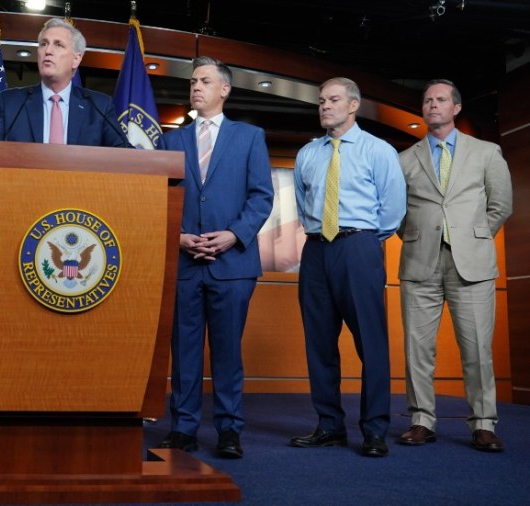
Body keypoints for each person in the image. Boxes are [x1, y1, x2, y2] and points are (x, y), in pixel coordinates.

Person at [157, 56, 274, 459]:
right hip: (184, 263)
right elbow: (160, 197)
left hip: (233, 265)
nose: (195, 87)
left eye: (205, 81)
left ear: (225, 89)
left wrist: (232, 235)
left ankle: (228, 431)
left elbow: (262, 196)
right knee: (184, 351)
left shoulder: (250, 136)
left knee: (227, 351)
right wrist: (178, 237)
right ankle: (184, 429)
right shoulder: (170, 139)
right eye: (192, 81)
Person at [290, 77, 406, 457]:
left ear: (353, 105)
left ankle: (374, 430)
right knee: (319, 343)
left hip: (360, 247)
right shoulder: (308, 154)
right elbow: (304, 201)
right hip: (315, 251)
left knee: (370, 343)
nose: (324, 105)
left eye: (333, 99)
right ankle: (329, 426)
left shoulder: (379, 150)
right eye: (321, 100)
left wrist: (363, 242)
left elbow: (392, 211)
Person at [397, 79, 512, 452]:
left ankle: (483, 423)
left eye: (441, 100)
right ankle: (421, 421)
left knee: (477, 348)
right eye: (428, 100)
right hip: (420, 262)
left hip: (472, 264)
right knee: (418, 348)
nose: (433, 105)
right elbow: (396, 212)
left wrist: (474, 237)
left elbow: (501, 205)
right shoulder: (405, 158)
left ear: (456, 107)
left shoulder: (486, 152)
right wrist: (415, 234)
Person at [0, 17, 127, 147]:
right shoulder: (10, 103)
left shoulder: (99, 106)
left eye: (58, 45)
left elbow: (127, 156)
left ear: (76, 59)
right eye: (43, 44)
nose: (48, 50)